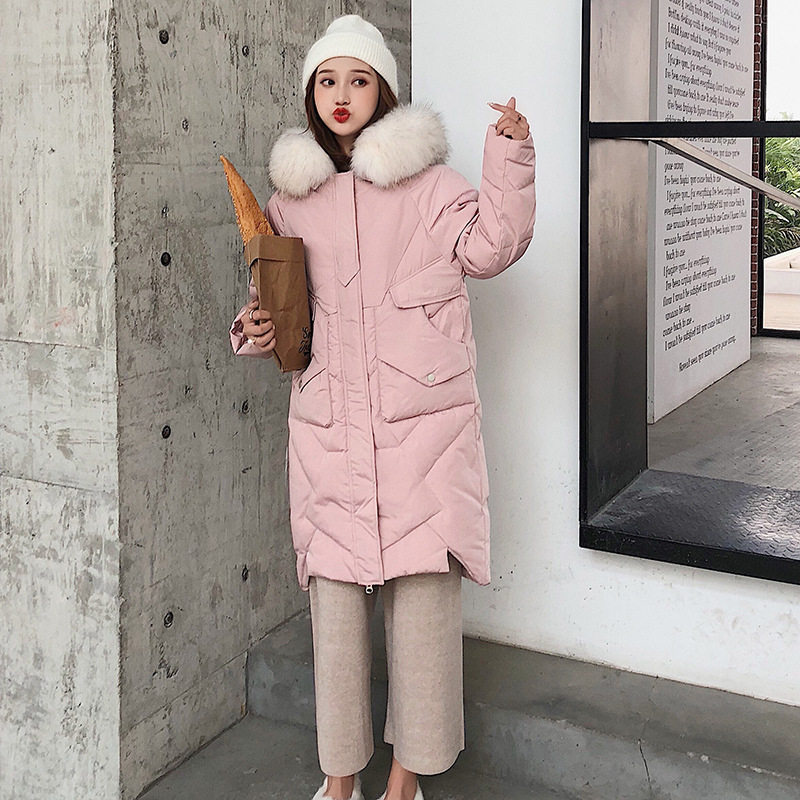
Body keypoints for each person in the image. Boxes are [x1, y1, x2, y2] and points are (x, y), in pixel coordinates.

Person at [229, 14, 536, 800]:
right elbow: (283, 316)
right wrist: (255, 329)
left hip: (424, 435)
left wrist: (509, 153)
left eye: (358, 79)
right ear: (311, 95)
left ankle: (405, 778)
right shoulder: (290, 203)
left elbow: (492, 248)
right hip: (329, 432)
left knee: (422, 607)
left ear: (383, 92)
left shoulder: (432, 188)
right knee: (333, 610)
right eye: (327, 80)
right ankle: (340, 776)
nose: (342, 94)